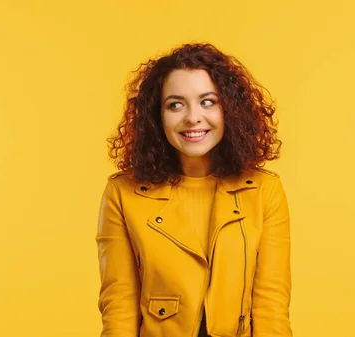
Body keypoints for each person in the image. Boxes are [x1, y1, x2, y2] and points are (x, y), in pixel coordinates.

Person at [96, 43, 292, 337]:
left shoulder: (265, 191)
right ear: (156, 116)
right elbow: (119, 306)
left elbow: (271, 306)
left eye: (208, 102)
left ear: (230, 110)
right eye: (175, 104)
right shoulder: (123, 194)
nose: (192, 118)